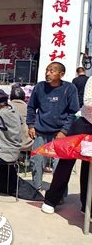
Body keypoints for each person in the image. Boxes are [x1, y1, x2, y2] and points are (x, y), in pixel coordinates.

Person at [27, 62, 79, 192]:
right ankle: (36, 188)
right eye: (47, 70)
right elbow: (31, 107)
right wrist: (31, 125)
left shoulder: (69, 88)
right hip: (40, 131)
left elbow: (73, 112)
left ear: (61, 74)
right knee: (36, 161)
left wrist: (64, 130)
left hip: (60, 134)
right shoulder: (39, 87)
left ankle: (58, 194)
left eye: (52, 71)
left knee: (59, 165)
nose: (48, 73)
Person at [43, 75, 92, 215]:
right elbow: (88, 102)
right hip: (85, 123)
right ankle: (52, 199)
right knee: (66, 162)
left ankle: (87, 205)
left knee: (89, 168)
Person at [9, 86, 34, 152]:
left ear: (10, 97)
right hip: (28, 145)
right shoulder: (30, 109)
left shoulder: (5, 108)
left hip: (9, 146)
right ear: (24, 97)